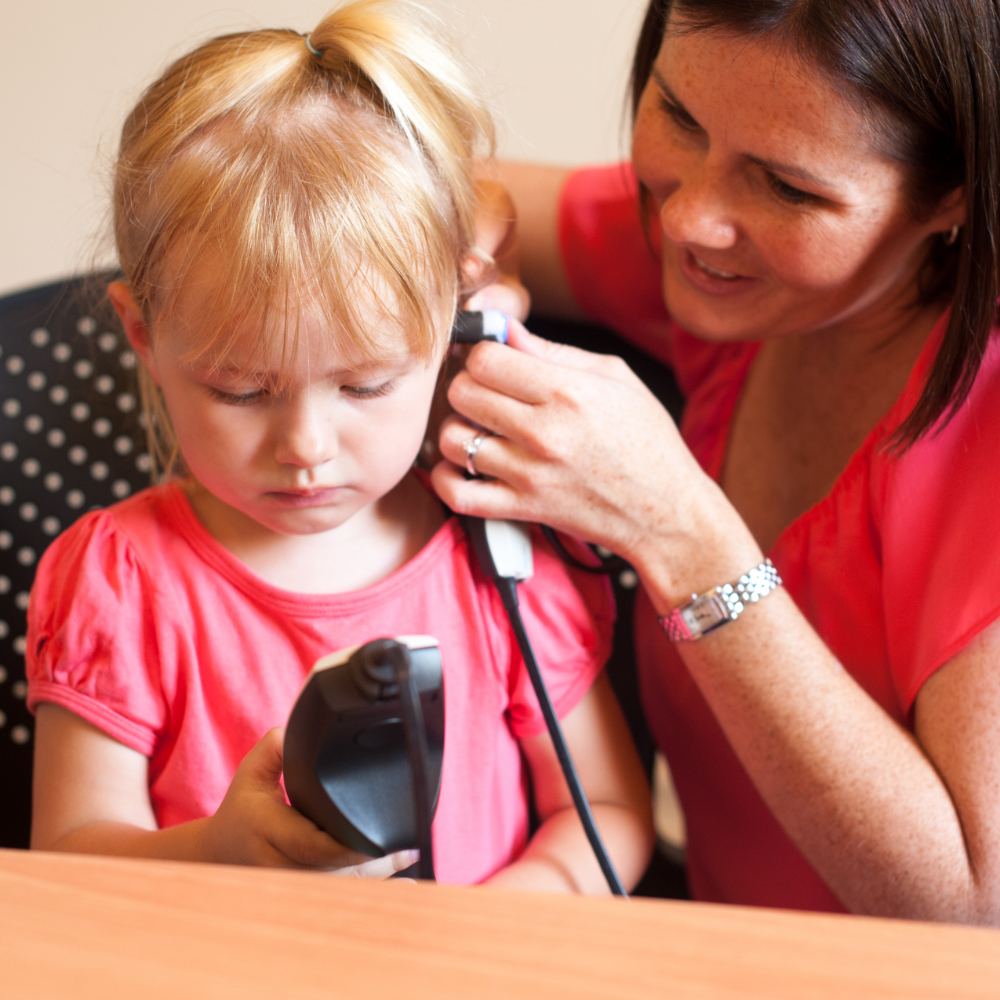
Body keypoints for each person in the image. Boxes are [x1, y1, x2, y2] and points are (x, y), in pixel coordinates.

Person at [25, 0, 653, 892]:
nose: (305, 446)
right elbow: (68, 864)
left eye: (364, 386)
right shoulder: (123, 580)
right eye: (241, 391)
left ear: (454, 328)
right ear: (142, 334)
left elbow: (607, 818)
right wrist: (215, 856)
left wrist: (500, 929)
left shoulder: (502, 559)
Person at [433, 0, 1000, 922]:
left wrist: (679, 531)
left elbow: (973, 915)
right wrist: (461, 247)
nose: (692, 217)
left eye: (788, 189)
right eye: (680, 118)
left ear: (957, 193)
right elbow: (449, 191)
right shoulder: (736, 273)